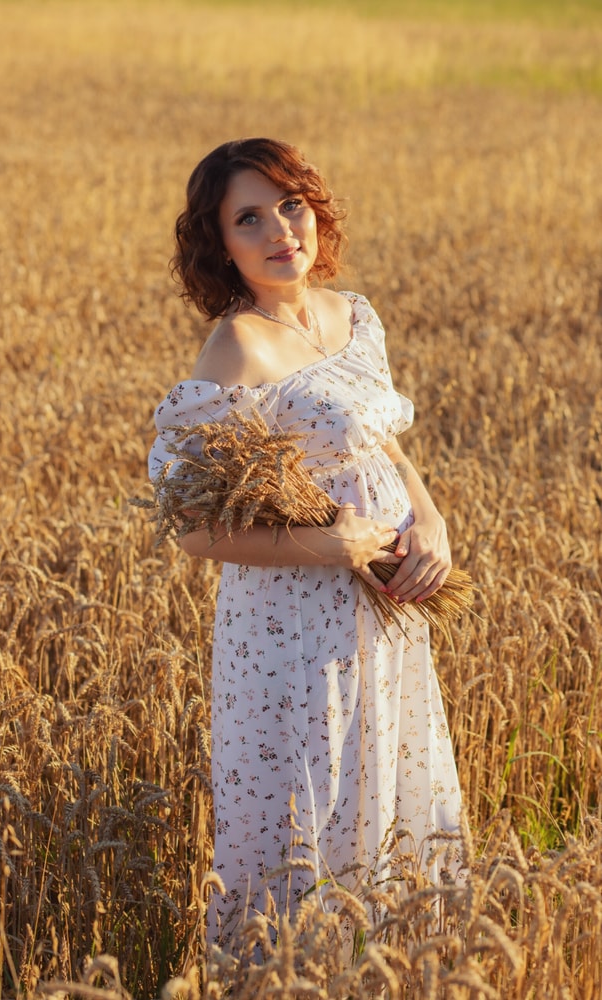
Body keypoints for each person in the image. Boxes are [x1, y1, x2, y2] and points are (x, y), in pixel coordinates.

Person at [148, 137, 462, 947]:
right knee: (305, 805)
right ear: (220, 243)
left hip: (385, 606)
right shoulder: (237, 347)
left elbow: (380, 445)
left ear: (315, 210)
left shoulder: (352, 315)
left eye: (291, 206)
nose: (280, 230)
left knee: (385, 781)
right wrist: (332, 546)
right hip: (289, 627)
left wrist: (429, 520)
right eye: (249, 218)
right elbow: (192, 527)